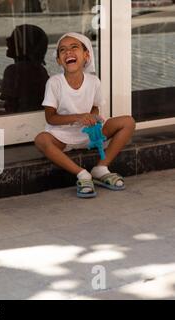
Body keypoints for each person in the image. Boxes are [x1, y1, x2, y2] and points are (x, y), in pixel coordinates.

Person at [34, 32, 135, 198]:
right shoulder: (54, 83)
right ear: (59, 60)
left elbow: (95, 108)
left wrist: (93, 118)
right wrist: (78, 117)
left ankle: (101, 168)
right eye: (63, 50)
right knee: (41, 139)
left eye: (74, 47)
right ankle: (82, 174)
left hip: (88, 133)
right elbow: (50, 118)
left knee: (128, 122)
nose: (68, 52)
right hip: (62, 136)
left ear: (86, 55)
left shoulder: (93, 81)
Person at [0, 24, 50, 113]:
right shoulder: (41, 70)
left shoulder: (13, 71)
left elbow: (9, 103)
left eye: (13, 38)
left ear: (23, 46)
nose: (7, 40)